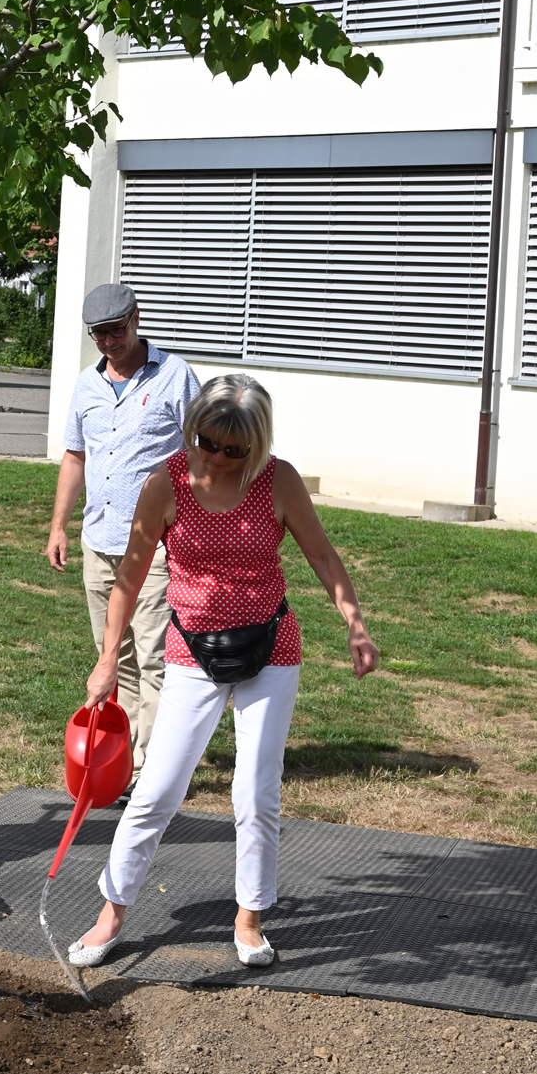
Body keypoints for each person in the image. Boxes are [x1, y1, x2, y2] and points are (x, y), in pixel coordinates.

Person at [69, 372, 378, 970]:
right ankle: (112, 909)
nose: (217, 457)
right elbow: (129, 578)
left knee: (255, 792)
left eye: (234, 450)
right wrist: (108, 657)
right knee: (157, 788)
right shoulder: (167, 484)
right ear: (194, 431)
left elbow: (321, 554)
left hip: (269, 648)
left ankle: (250, 917)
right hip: (192, 651)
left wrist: (355, 623)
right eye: (208, 442)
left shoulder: (278, 480)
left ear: (256, 445)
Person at [46, 283, 200, 778]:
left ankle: (156, 772)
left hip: (156, 547)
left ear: (136, 319)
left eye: (115, 330)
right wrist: (59, 527)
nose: (108, 342)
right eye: (98, 334)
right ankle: (129, 763)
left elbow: (202, 456)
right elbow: (75, 456)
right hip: (99, 541)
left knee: (155, 657)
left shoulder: (175, 377)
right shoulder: (86, 385)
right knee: (115, 657)